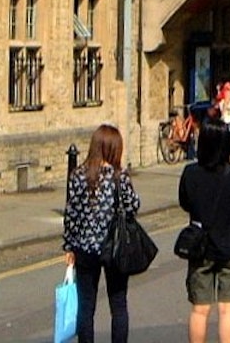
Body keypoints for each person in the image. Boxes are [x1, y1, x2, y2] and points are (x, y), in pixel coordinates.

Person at [179, 120, 230, 343]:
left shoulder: (190, 173)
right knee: (227, 311)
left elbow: (185, 203)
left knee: (199, 310)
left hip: (201, 247)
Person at [63, 123, 142, 343]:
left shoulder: (78, 175)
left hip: (85, 248)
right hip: (115, 247)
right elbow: (133, 206)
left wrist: (68, 246)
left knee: (86, 307)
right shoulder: (119, 177)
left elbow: (71, 214)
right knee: (118, 305)